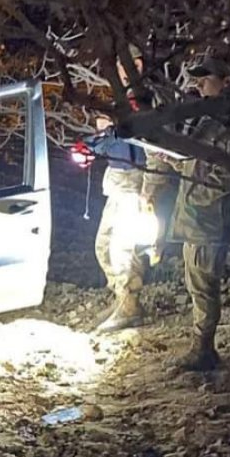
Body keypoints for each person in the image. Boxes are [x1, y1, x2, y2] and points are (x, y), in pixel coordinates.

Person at [142, 55, 230, 371]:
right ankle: (202, 348)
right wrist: (178, 161)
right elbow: (200, 165)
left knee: (203, 286)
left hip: (211, 220)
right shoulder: (209, 118)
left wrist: (186, 169)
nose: (199, 85)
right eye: (198, 79)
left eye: (206, 79)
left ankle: (203, 350)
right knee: (198, 283)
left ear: (227, 82)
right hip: (200, 217)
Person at [88, 113, 152, 332]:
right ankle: (122, 300)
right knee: (103, 246)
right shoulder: (113, 109)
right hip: (117, 181)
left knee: (122, 251)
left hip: (132, 182)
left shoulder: (140, 109)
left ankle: (129, 307)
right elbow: (102, 145)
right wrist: (103, 131)